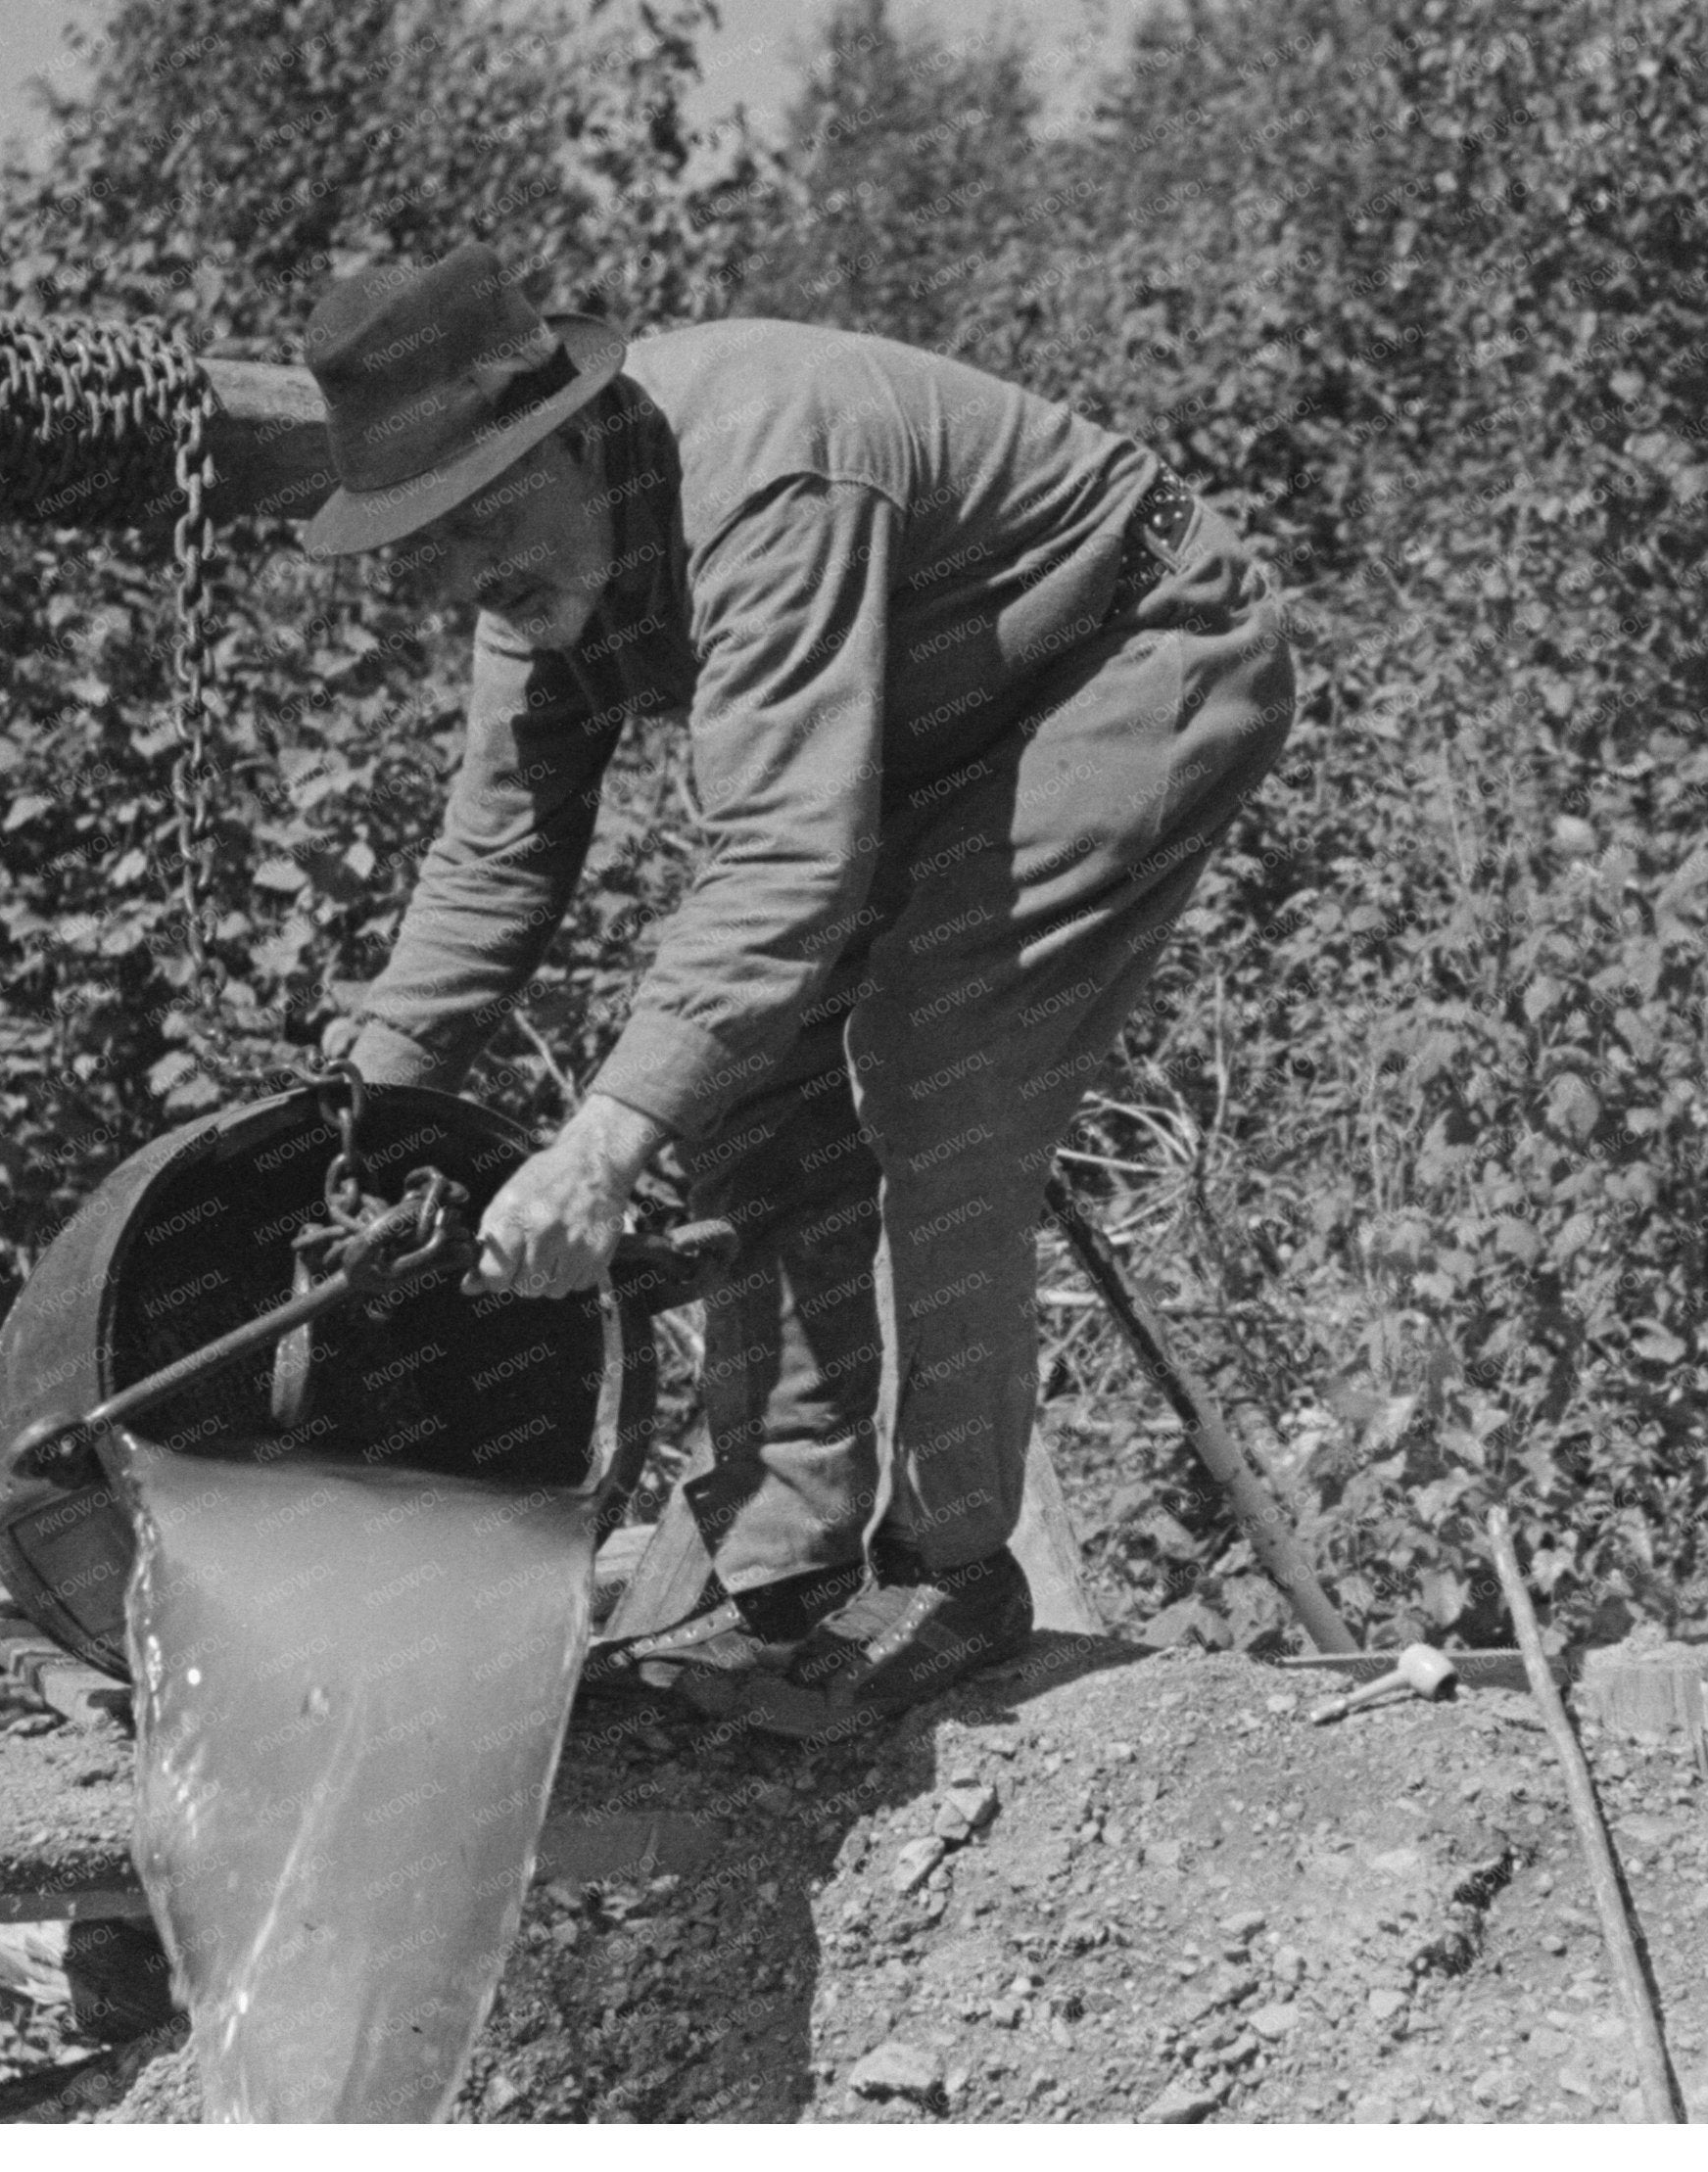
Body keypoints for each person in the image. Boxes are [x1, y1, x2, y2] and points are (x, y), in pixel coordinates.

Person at [290, 245, 1292, 1730]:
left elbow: (780, 867)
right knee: (746, 1086)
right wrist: (337, 1129)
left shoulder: (762, 469)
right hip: (917, 738)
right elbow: (494, 864)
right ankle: (782, 1577)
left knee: (932, 1053)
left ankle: (956, 1568)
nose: (465, 573)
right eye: (422, 543)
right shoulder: (537, 578)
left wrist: (597, 1146)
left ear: (566, 433)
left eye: (482, 517)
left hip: (1126, 657)